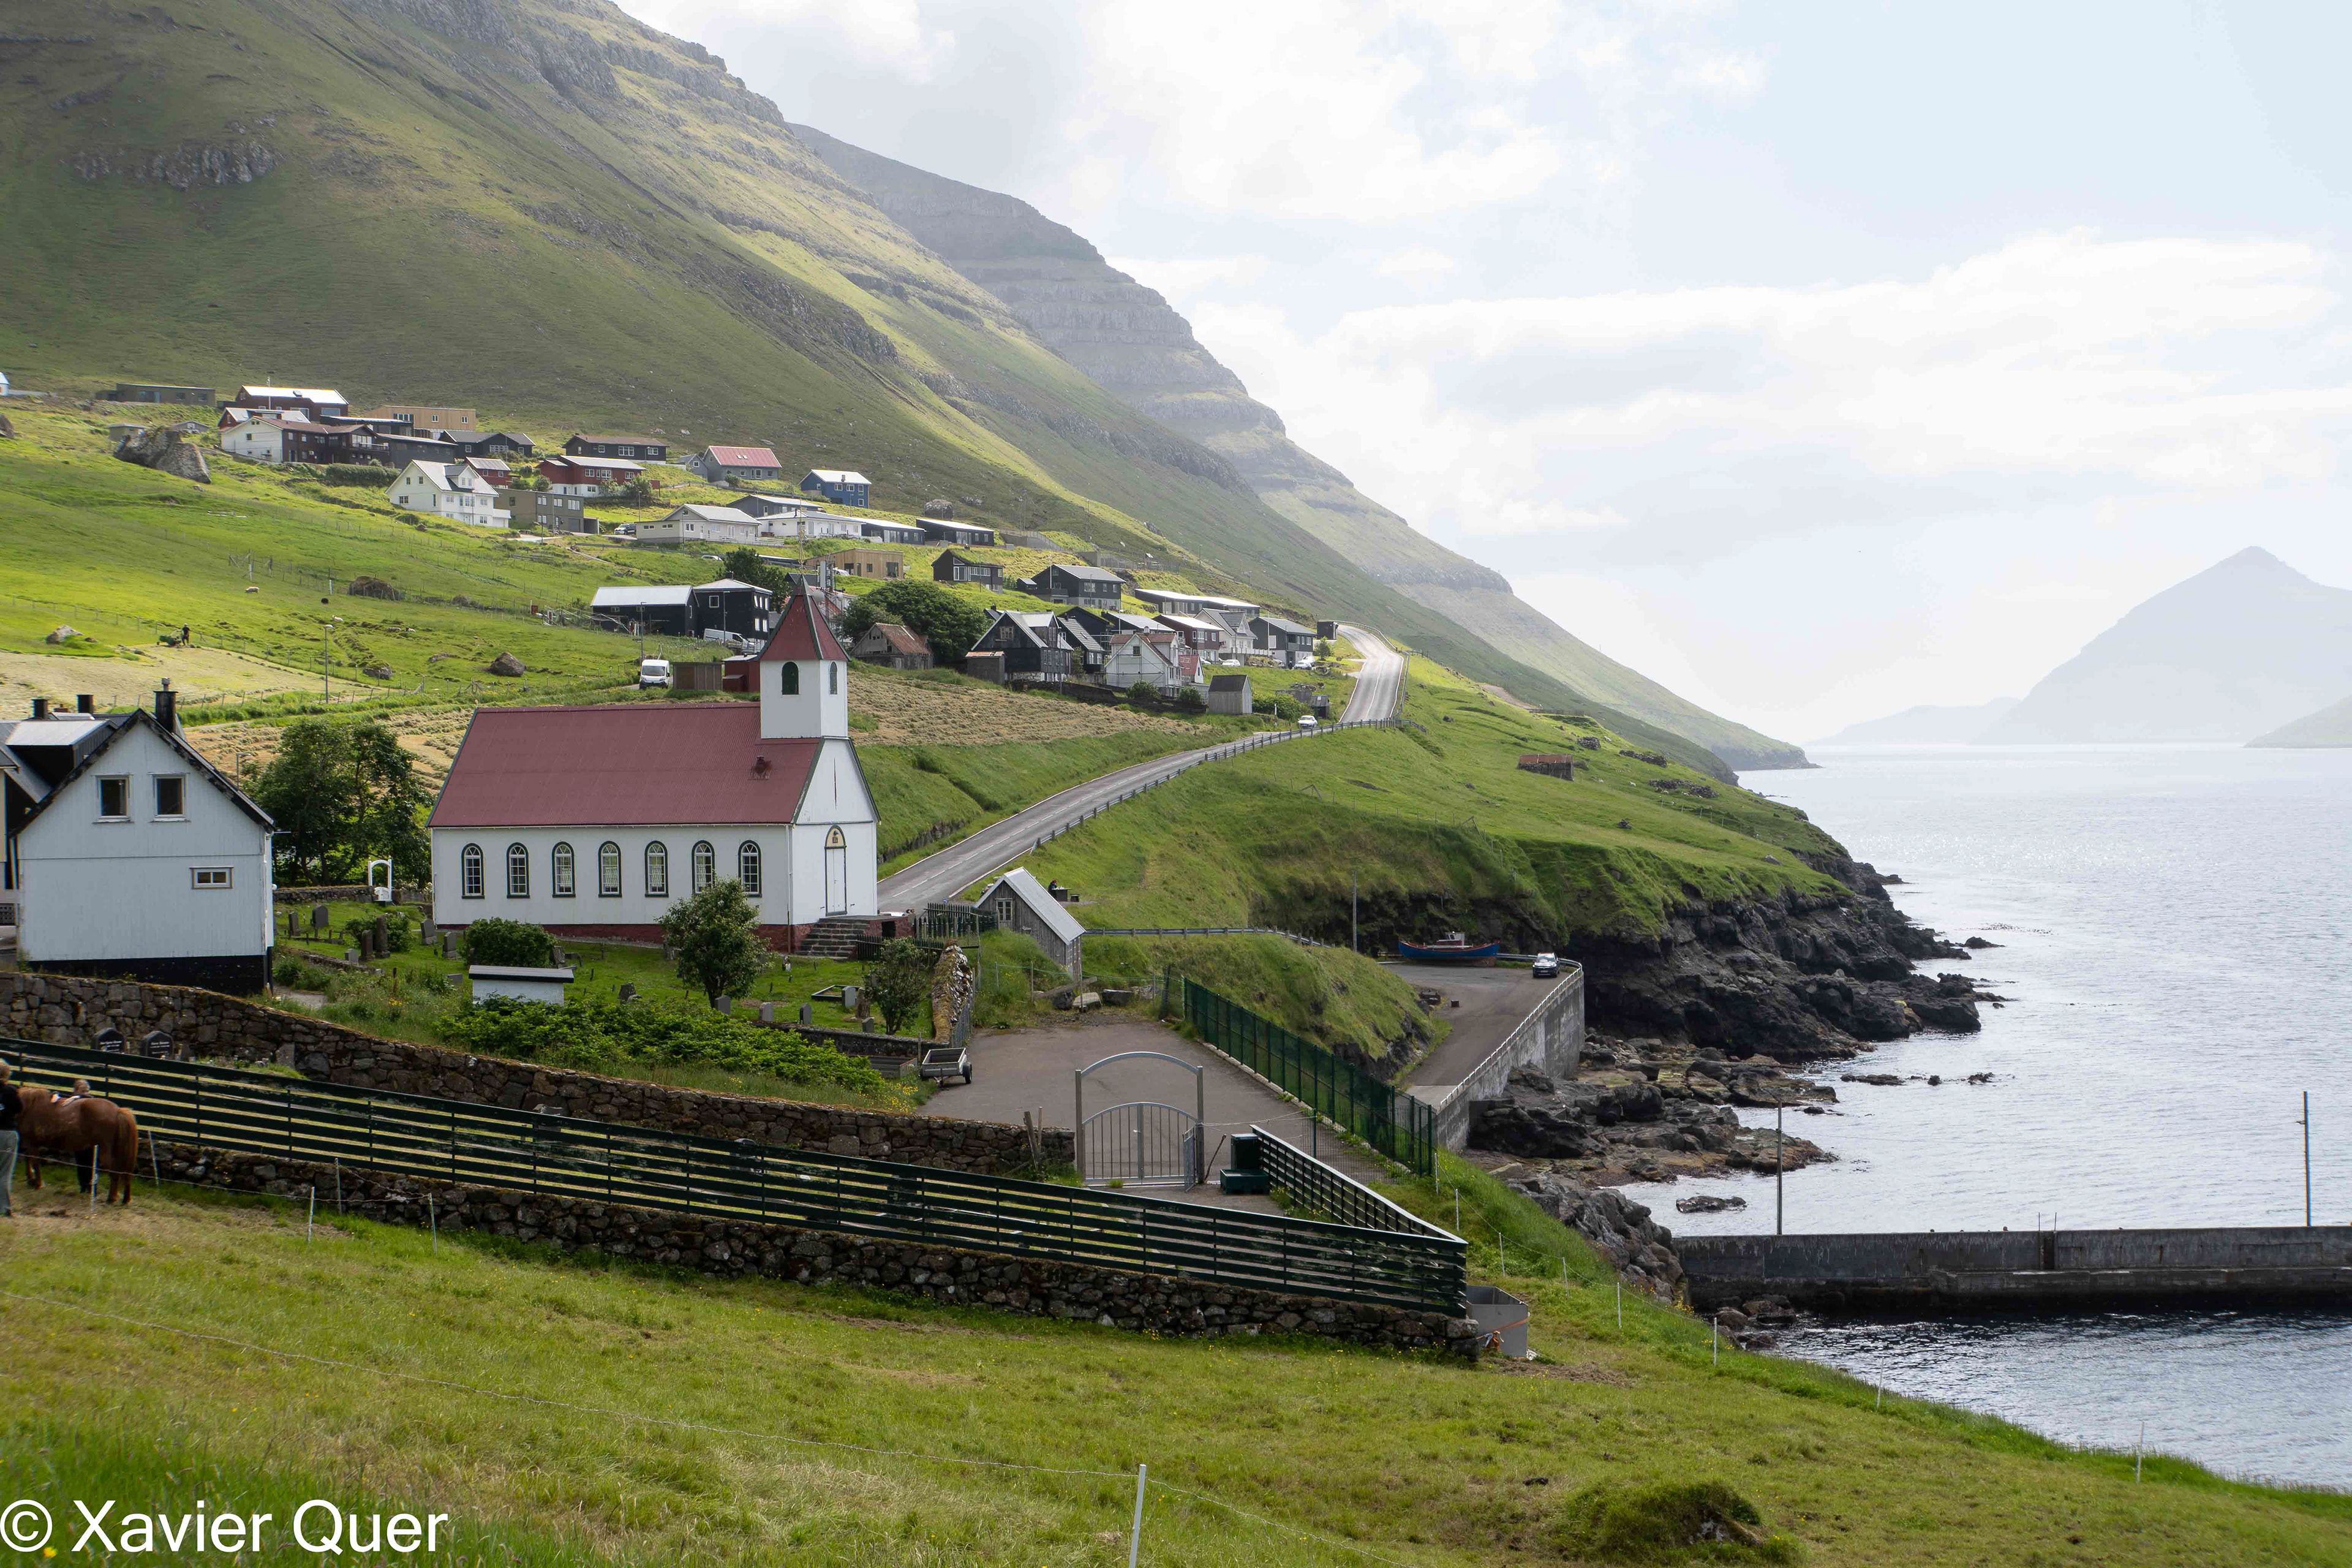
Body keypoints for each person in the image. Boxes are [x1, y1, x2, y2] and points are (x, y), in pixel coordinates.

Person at [0, 1062, 20, 1218]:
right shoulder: (10, 1091)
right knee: (5, 1172)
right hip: (6, 1133)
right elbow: (19, 1108)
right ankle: (4, 1208)